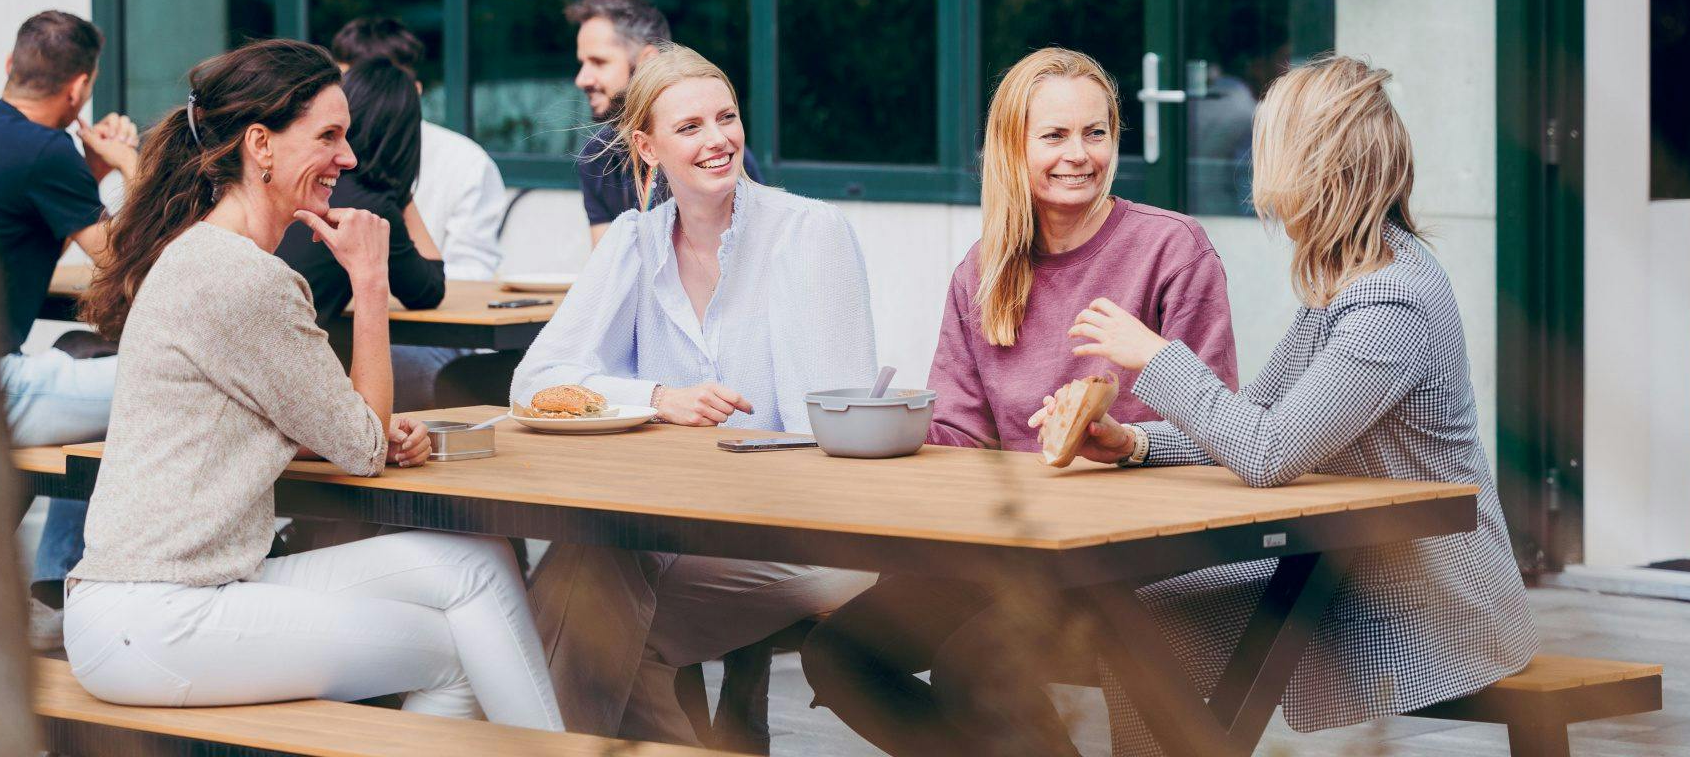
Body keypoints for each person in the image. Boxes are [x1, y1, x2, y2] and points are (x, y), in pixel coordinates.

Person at [940, 55, 1539, 756]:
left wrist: (1152, 355)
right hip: (1345, 565)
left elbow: (1268, 451)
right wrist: (1132, 445)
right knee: (1130, 622)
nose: (1259, 174)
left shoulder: (1390, 302)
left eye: (1270, 148)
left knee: (1140, 626)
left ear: (1312, 166)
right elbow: (1252, 415)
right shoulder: (1350, 282)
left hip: (1422, 599)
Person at [65, 39, 560, 729]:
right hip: (161, 616)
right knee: (456, 651)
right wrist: (369, 276)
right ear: (261, 145)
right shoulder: (246, 277)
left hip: (167, 595)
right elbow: (360, 448)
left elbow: (246, 423)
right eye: (329, 136)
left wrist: (351, 428)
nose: (350, 158)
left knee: (473, 564)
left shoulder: (202, 253)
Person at [801, 46, 1239, 755]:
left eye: (1096, 133)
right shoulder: (982, 270)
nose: (1080, 155)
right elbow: (960, 437)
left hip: (1125, 559)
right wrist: (886, 438)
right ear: (1012, 148)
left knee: (974, 662)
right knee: (842, 654)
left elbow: (1217, 426)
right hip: (1010, 552)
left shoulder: (1172, 249)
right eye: (1055, 136)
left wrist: (1116, 437)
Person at [511, 44, 877, 743]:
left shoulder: (809, 234)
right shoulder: (633, 241)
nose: (718, 141)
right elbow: (536, 382)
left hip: (806, 534)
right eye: (690, 128)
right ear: (646, 147)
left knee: (589, 614)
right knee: (589, 570)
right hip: (674, 532)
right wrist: (655, 397)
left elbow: (835, 425)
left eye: (727, 118)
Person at [0, 9, 140, 645]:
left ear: (10, 67)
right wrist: (127, 163)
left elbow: (15, 227)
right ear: (80, 90)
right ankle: (63, 586)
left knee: (77, 349)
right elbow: (139, 267)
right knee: (166, 381)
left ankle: (41, 586)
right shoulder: (48, 154)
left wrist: (83, 178)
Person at [275, 59, 448, 405]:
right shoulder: (369, 208)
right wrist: (399, 191)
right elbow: (427, 289)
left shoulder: (303, 188)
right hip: (290, 379)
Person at [566, 0, 762, 246]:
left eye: (599, 62)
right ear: (645, 147)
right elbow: (607, 274)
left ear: (647, 60)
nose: (582, 79)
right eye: (583, 63)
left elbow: (750, 261)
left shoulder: (716, 155)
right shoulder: (596, 157)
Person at [330, 16, 505, 281]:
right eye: (342, 86)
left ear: (412, 91)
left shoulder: (467, 163)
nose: (350, 99)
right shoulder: (317, 153)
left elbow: (474, 272)